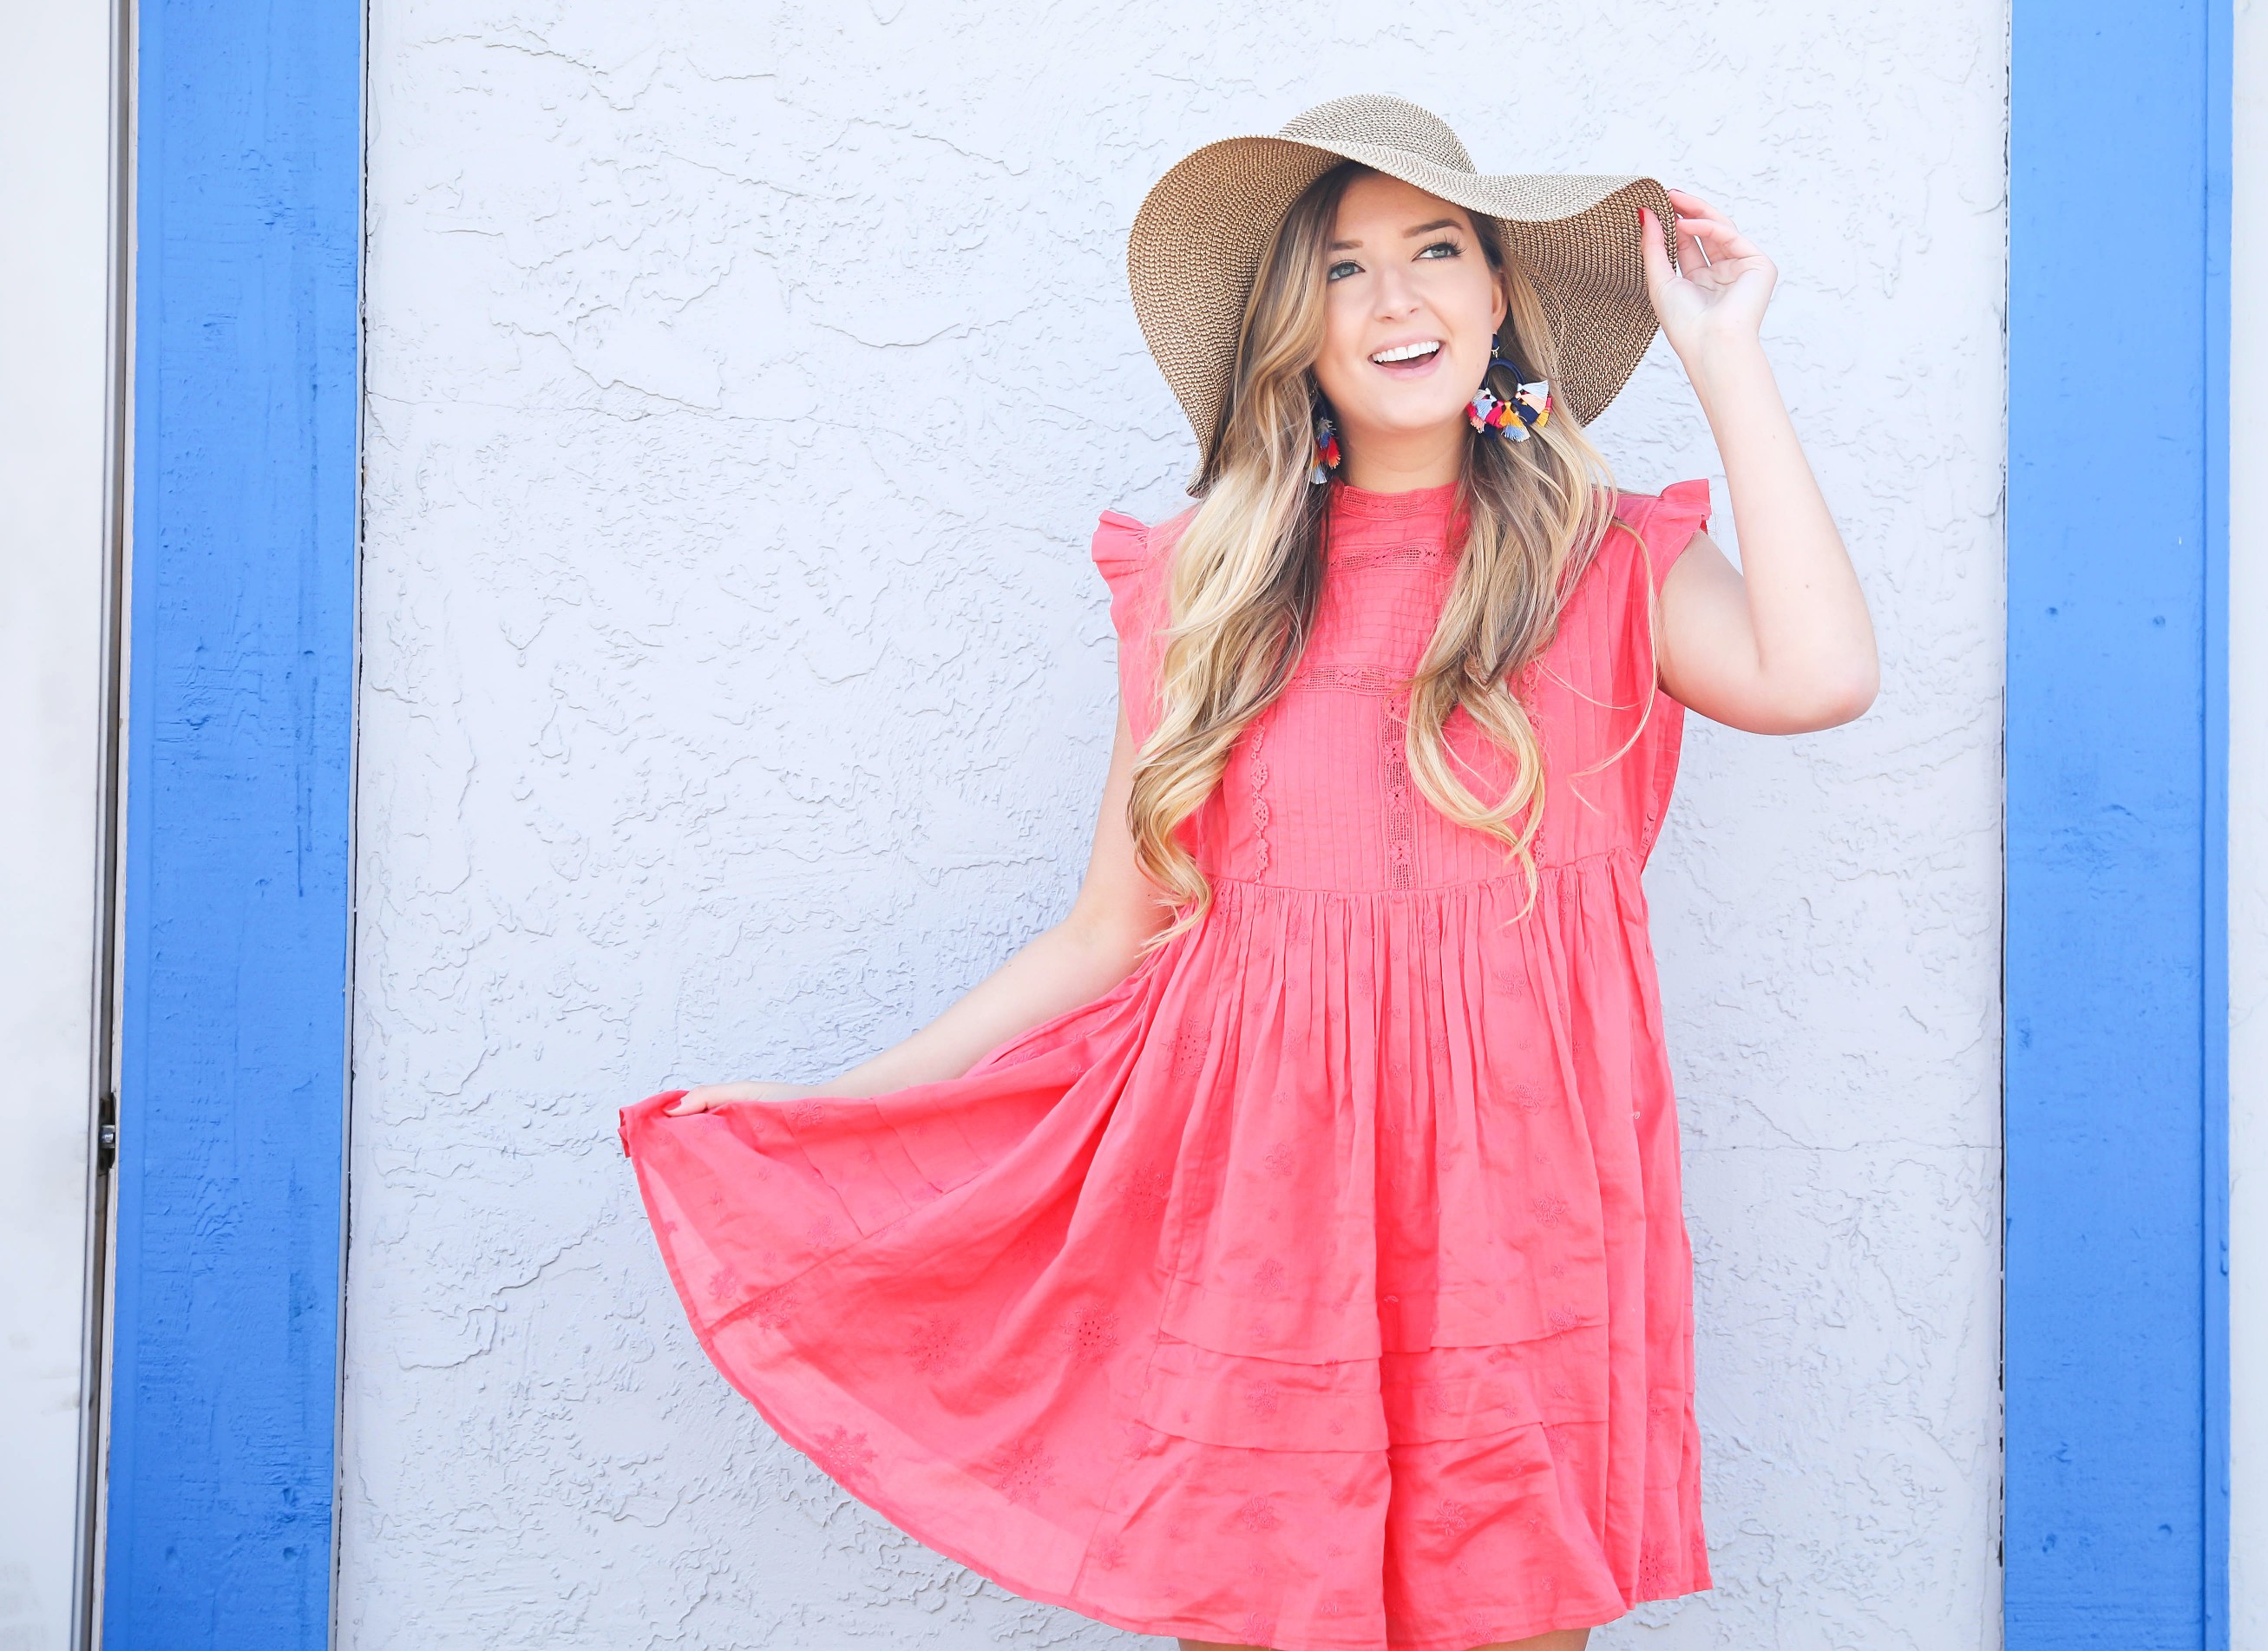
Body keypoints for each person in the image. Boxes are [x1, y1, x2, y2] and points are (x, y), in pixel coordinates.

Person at [620, 95, 1877, 1651]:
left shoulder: (1606, 560)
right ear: (1295, 322)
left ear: (1499, 298)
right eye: (1345, 269)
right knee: (1254, 1618)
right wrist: (852, 1112)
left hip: (1523, 1196)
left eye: (1436, 251)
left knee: (1515, 1621)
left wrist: (1723, 352)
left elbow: (1817, 673)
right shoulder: (1206, 579)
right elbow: (1109, 925)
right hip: (1262, 1203)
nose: (1398, 298)